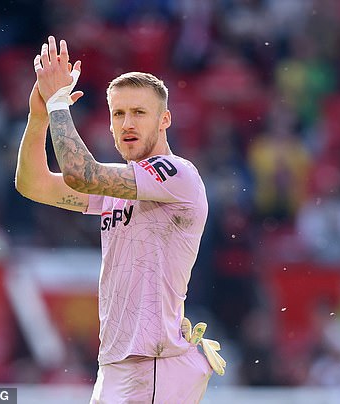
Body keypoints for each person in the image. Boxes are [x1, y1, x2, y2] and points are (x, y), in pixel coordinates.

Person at [15, 36, 225, 403]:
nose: (127, 123)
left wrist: (59, 103)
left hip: (152, 364)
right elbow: (32, 184)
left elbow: (83, 174)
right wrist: (38, 116)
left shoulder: (176, 173)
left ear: (165, 121)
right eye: (118, 114)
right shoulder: (121, 186)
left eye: (139, 113)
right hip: (117, 364)